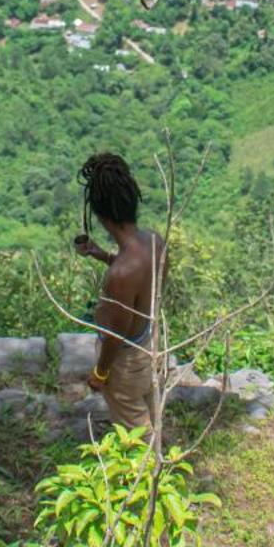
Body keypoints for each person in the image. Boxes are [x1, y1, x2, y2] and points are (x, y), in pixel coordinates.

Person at [73, 152, 165, 428]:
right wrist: (103, 256)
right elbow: (144, 282)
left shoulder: (121, 274)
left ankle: (147, 470)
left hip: (126, 361)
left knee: (135, 432)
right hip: (151, 342)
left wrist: (100, 373)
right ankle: (158, 458)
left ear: (101, 215)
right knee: (151, 412)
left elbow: (116, 336)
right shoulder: (154, 241)